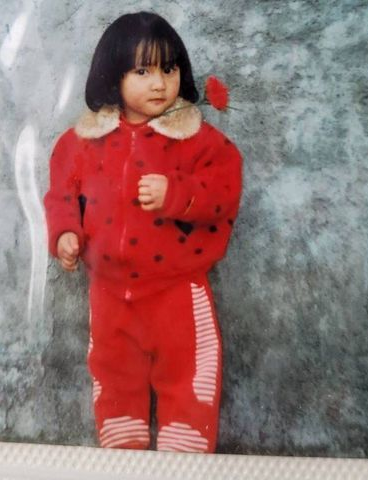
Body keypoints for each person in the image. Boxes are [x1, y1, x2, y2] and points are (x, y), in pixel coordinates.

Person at [44, 11, 243, 453]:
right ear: (112, 76)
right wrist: (64, 233)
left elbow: (224, 190)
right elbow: (61, 194)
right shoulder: (81, 142)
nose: (160, 84)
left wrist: (178, 194)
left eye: (169, 69)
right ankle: (123, 456)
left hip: (178, 291)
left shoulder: (198, 140)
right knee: (113, 377)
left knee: (189, 376)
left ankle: (185, 458)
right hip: (109, 296)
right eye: (143, 71)